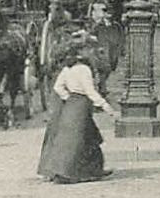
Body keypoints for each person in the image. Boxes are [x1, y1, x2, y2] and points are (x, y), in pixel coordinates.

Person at [37, 39, 112, 184]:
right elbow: (90, 91)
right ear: (81, 52)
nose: (92, 52)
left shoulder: (67, 68)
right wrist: (105, 105)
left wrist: (69, 98)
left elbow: (58, 87)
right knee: (83, 138)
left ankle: (86, 170)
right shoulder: (84, 69)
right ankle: (78, 171)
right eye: (89, 50)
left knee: (86, 137)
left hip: (71, 104)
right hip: (82, 105)